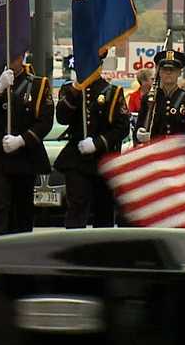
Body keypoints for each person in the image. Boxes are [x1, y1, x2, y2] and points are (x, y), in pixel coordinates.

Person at [0, 56, 54, 236]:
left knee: (23, 213)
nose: (11, 60)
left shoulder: (38, 85)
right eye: (8, 55)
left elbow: (45, 121)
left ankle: (20, 260)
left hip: (24, 159)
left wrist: (22, 140)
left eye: (16, 56)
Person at [54, 72, 129, 229]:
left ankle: (100, 251)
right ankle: (75, 248)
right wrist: (75, 89)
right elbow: (62, 117)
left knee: (104, 210)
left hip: (103, 159)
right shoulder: (70, 89)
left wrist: (97, 143)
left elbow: (122, 128)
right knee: (77, 206)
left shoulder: (112, 92)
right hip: (77, 158)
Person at [134, 50, 185, 143]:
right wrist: (139, 134)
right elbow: (139, 126)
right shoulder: (149, 98)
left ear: (179, 72)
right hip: (155, 151)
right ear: (159, 72)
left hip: (179, 153)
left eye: (172, 69)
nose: (168, 73)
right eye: (164, 69)